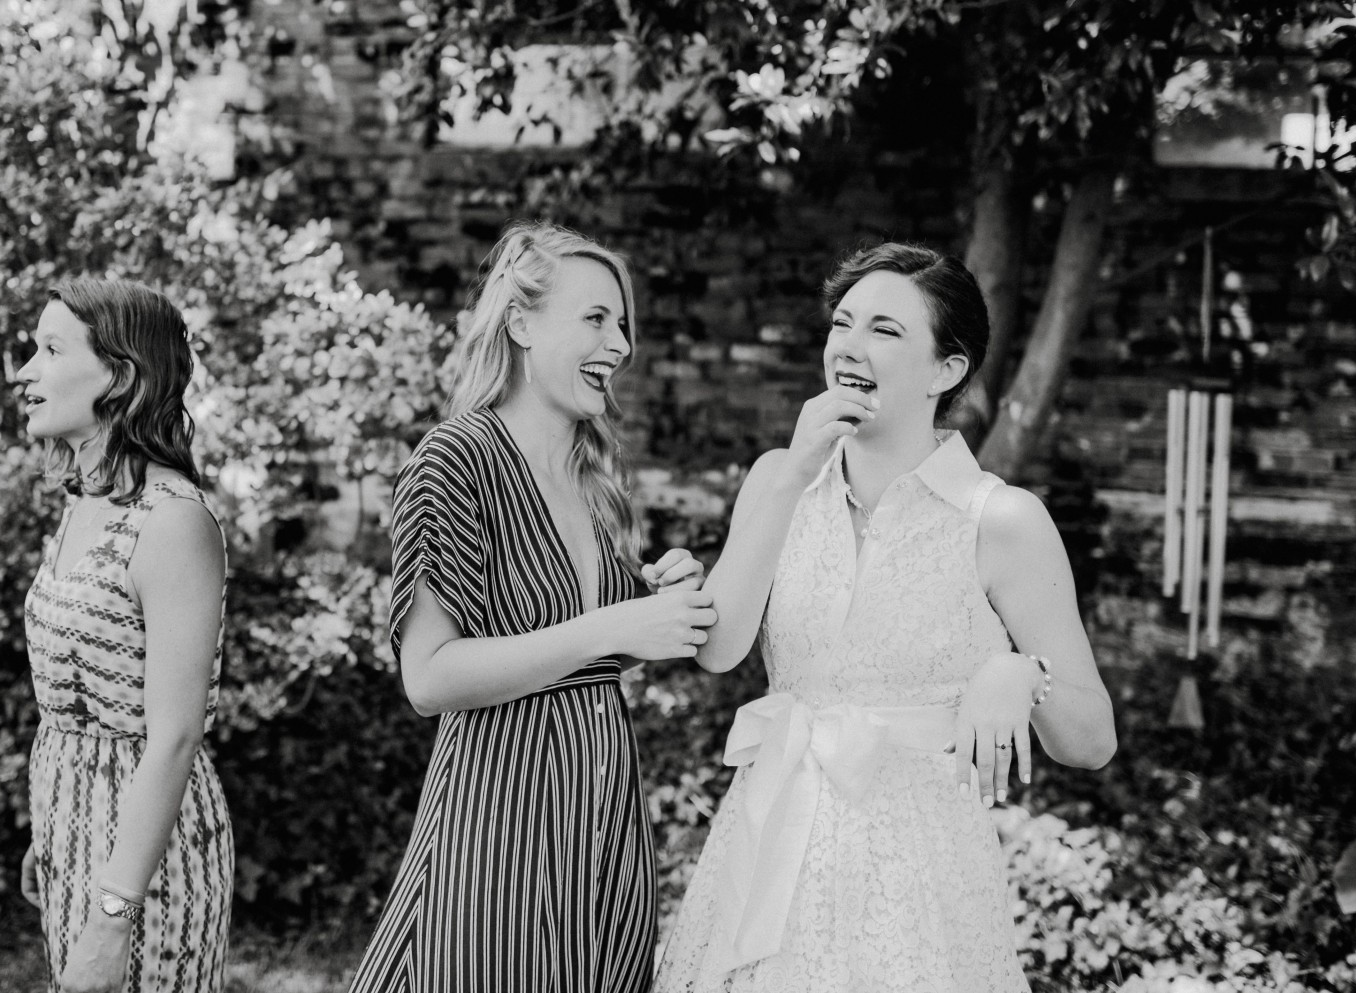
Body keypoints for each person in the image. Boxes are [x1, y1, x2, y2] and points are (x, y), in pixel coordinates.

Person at [655, 243, 1118, 992]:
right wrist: (789, 475)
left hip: (922, 884)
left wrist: (1019, 673)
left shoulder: (1001, 518)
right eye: (843, 323)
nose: (850, 345)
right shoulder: (778, 480)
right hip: (772, 844)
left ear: (947, 369)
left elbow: (1093, 738)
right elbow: (721, 650)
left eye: (886, 330)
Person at [351, 221, 717, 993]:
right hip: (501, 817)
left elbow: (592, 639)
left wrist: (659, 598)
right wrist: (614, 626)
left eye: (623, 324)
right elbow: (430, 676)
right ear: (520, 322)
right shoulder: (455, 460)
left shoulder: (595, 477)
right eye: (595, 318)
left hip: (604, 814)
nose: (619, 343)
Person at [16, 278, 233, 993]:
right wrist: (53, 827)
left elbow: (173, 735)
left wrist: (113, 915)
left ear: (121, 373)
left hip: (147, 868)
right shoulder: (85, 502)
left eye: (51, 350)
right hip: (72, 835)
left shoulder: (172, 522)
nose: (26, 371)